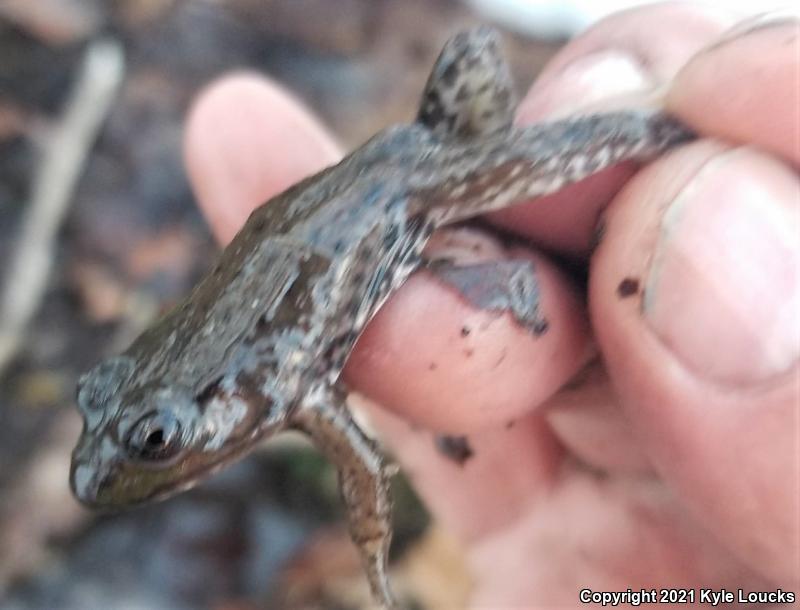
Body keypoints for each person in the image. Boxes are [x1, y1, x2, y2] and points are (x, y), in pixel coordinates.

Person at [182, 4, 799, 604]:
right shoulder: (281, 383)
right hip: (415, 191)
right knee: (518, 82)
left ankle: (679, 133)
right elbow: (362, 465)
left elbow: (365, 471)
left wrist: (374, 559)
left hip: (413, 190)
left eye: (161, 438)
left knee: (636, 127)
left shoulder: (283, 383)